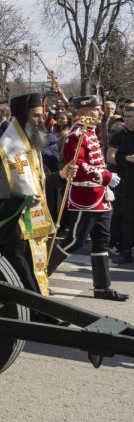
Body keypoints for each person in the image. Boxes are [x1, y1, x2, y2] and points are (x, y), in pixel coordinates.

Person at [48, 95, 127, 300]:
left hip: (100, 196)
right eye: (97, 109)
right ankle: (41, 276)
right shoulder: (76, 134)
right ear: (84, 112)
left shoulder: (91, 132)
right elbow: (79, 166)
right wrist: (106, 176)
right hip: (85, 196)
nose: (101, 113)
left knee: (102, 240)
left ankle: (102, 287)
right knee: (75, 240)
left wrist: (105, 178)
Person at [0, 93, 56, 296]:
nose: (41, 120)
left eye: (41, 116)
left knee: (33, 271)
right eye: (36, 116)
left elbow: (37, 182)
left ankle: (41, 309)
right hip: (15, 224)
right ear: (22, 116)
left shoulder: (31, 145)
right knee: (23, 276)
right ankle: (38, 313)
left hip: (33, 221)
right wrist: (20, 200)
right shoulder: (8, 149)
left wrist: (59, 176)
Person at [107, 103, 134, 263]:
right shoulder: (121, 135)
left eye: (130, 117)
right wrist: (126, 159)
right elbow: (113, 156)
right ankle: (126, 249)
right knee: (127, 216)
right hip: (127, 181)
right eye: (125, 116)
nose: (126, 119)